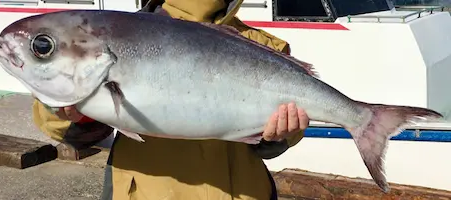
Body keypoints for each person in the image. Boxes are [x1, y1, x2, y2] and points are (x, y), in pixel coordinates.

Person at [31, 0, 310, 199]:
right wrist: (71, 112)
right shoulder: (120, 31)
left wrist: (280, 134)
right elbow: (73, 132)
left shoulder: (267, 47)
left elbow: (270, 144)